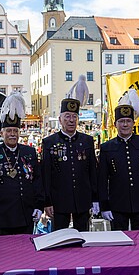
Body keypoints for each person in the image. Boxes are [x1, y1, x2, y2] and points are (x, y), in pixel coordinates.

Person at [98, 90, 139, 233]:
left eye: (128, 121)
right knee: (120, 246)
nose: (125, 124)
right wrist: (105, 205)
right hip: (117, 205)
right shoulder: (107, 148)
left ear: (133, 123)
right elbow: (102, 179)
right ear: (115, 124)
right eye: (121, 121)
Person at [0, 92, 44, 235]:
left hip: (26, 213)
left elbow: (37, 180)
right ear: (1, 133)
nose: (12, 134)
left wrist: (39, 206)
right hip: (2, 216)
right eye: (8, 131)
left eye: (15, 130)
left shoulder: (29, 152)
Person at [42, 93, 98, 231]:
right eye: (67, 116)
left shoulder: (87, 141)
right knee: (60, 240)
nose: (71, 120)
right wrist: (47, 202)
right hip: (59, 201)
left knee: (83, 237)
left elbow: (93, 172)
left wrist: (95, 198)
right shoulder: (49, 142)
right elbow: (46, 175)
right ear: (60, 119)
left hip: (82, 200)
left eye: (74, 117)